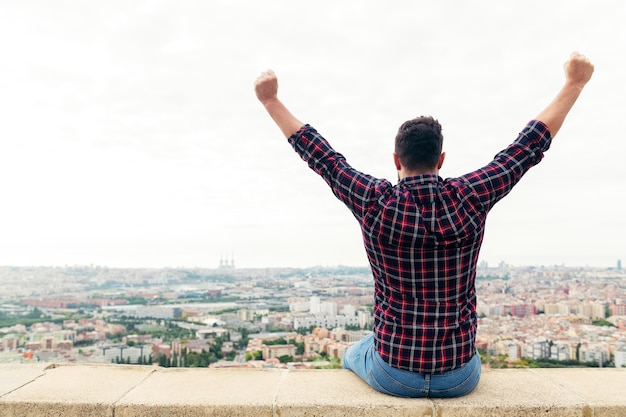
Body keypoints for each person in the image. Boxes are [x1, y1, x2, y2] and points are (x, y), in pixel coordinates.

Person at [254, 52, 594, 398]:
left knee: (354, 352)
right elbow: (525, 148)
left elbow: (323, 157)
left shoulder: (375, 202)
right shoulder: (470, 196)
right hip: (459, 376)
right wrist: (574, 82)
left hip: (393, 372)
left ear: (396, 160)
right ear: (441, 159)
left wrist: (271, 100)